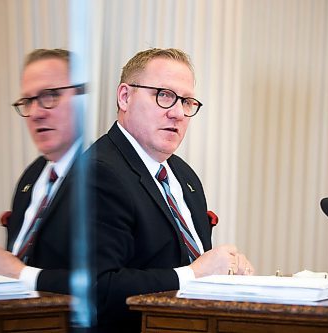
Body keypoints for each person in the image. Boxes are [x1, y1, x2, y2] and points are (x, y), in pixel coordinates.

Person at [87, 48, 254, 332]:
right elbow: (99, 288)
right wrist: (196, 273)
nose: (178, 113)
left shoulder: (184, 175)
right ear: (125, 97)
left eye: (187, 101)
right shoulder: (98, 172)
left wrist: (226, 271)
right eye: (164, 95)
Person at [0, 48, 85, 294]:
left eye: (50, 96)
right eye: (28, 101)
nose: (37, 113)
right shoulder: (32, 176)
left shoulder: (103, 177)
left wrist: (16, 272)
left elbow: (102, 285)